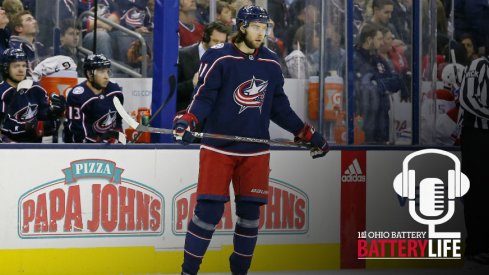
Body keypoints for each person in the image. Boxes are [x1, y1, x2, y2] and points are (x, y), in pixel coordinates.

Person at [172, 5, 329, 275]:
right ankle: (188, 271)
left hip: (255, 150)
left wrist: (306, 132)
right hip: (218, 148)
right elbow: (204, 97)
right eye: (256, 27)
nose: (261, 33)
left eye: (264, 27)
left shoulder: (269, 61)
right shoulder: (218, 57)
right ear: (242, 27)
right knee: (208, 213)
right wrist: (188, 119)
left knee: (250, 217)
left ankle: (240, 272)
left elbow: (279, 108)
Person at [458, 54, 489, 268]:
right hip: (476, 136)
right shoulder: (479, 64)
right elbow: (466, 98)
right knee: (477, 190)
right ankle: (476, 246)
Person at [0, 48, 65, 143]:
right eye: (16, 66)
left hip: (35, 149)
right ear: (6, 68)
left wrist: (55, 112)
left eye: (23, 65)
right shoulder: (2, 92)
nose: (21, 69)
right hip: (8, 150)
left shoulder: (36, 89)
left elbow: (51, 126)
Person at [63, 54, 123, 143]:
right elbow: (78, 133)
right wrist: (101, 143)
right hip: (80, 148)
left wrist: (120, 139)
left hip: (107, 145)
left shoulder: (115, 90)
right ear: (89, 74)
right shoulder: (77, 96)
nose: (106, 76)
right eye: (102, 72)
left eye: (107, 71)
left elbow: (117, 119)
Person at [177, 21, 230, 111]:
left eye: (222, 42)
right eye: (215, 41)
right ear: (205, 37)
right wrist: (192, 84)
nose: (219, 46)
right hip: (187, 112)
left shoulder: (227, 59)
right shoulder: (183, 55)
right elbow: (172, 89)